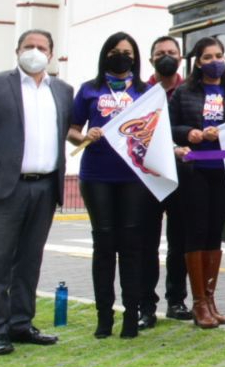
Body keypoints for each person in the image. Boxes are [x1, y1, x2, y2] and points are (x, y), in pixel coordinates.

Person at [0, 29, 73, 356]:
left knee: (29, 262)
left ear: (50, 55)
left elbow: (63, 131)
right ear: (17, 51)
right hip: (2, 189)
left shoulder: (63, 91)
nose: (35, 52)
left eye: (41, 47)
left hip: (45, 187)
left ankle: (21, 323)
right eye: (29, 46)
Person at [67, 32, 155, 339]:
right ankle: (104, 317)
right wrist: (84, 137)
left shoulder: (146, 91)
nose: (122, 56)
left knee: (131, 246)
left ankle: (132, 316)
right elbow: (72, 129)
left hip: (133, 176)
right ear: (106, 55)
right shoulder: (89, 90)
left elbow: (155, 131)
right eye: (116, 51)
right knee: (103, 245)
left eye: (128, 52)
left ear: (136, 58)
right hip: (97, 175)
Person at [169, 35, 225, 329]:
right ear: (197, 62)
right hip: (194, 171)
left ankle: (210, 298)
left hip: (224, 171)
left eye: (219, 56)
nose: (215, 62)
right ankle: (198, 303)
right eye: (208, 57)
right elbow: (171, 128)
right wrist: (190, 133)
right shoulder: (183, 93)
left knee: (215, 232)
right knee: (197, 231)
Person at [141, 35, 191, 325]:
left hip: (183, 176)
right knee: (146, 243)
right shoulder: (140, 93)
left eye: (171, 52)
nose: (166, 57)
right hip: (147, 177)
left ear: (180, 58)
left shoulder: (190, 91)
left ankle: (177, 300)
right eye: (160, 53)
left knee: (180, 243)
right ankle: (146, 305)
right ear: (151, 60)